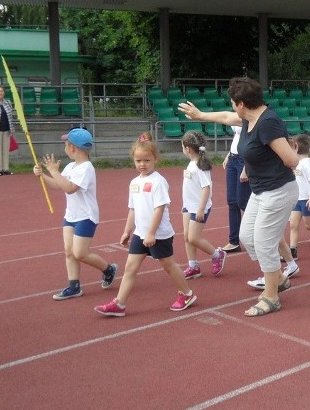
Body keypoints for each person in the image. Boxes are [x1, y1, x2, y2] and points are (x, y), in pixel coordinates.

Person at [179, 77, 299, 317]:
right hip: (260, 190)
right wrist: (200, 115)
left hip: (277, 191)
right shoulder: (249, 119)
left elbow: (292, 160)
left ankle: (272, 296)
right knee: (247, 236)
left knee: (265, 242)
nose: (232, 107)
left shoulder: (267, 123)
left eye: (233, 103)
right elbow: (225, 117)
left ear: (241, 104)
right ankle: (278, 278)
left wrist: (285, 150)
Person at [94, 136, 196, 317]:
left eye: (147, 160)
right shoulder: (134, 183)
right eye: (138, 160)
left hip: (159, 234)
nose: (142, 164)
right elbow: (132, 209)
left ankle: (187, 294)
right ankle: (120, 303)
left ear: (155, 159)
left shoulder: (158, 182)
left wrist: (151, 233)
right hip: (140, 234)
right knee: (130, 268)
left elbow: (159, 209)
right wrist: (127, 231)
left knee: (169, 266)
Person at [34, 128, 118, 301]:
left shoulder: (86, 168)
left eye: (66, 144)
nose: (64, 147)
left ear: (73, 148)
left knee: (80, 253)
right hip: (71, 215)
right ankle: (74, 287)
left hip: (86, 216)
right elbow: (59, 185)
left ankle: (108, 269)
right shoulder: (71, 166)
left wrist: (54, 172)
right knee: (69, 251)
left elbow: (70, 189)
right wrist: (43, 176)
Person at [180, 131, 226, 279]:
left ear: (187, 148)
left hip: (199, 208)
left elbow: (206, 188)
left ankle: (217, 255)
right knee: (187, 237)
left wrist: (200, 208)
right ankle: (193, 266)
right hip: (189, 206)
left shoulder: (200, 166)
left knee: (193, 238)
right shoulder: (192, 163)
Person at [221, 124, 251, 253]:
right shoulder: (236, 115)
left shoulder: (249, 117)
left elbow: (251, 142)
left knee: (243, 201)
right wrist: (229, 155)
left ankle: (262, 234)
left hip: (243, 160)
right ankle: (234, 241)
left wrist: (246, 167)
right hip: (234, 158)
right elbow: (237, 136)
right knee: (232, 201)